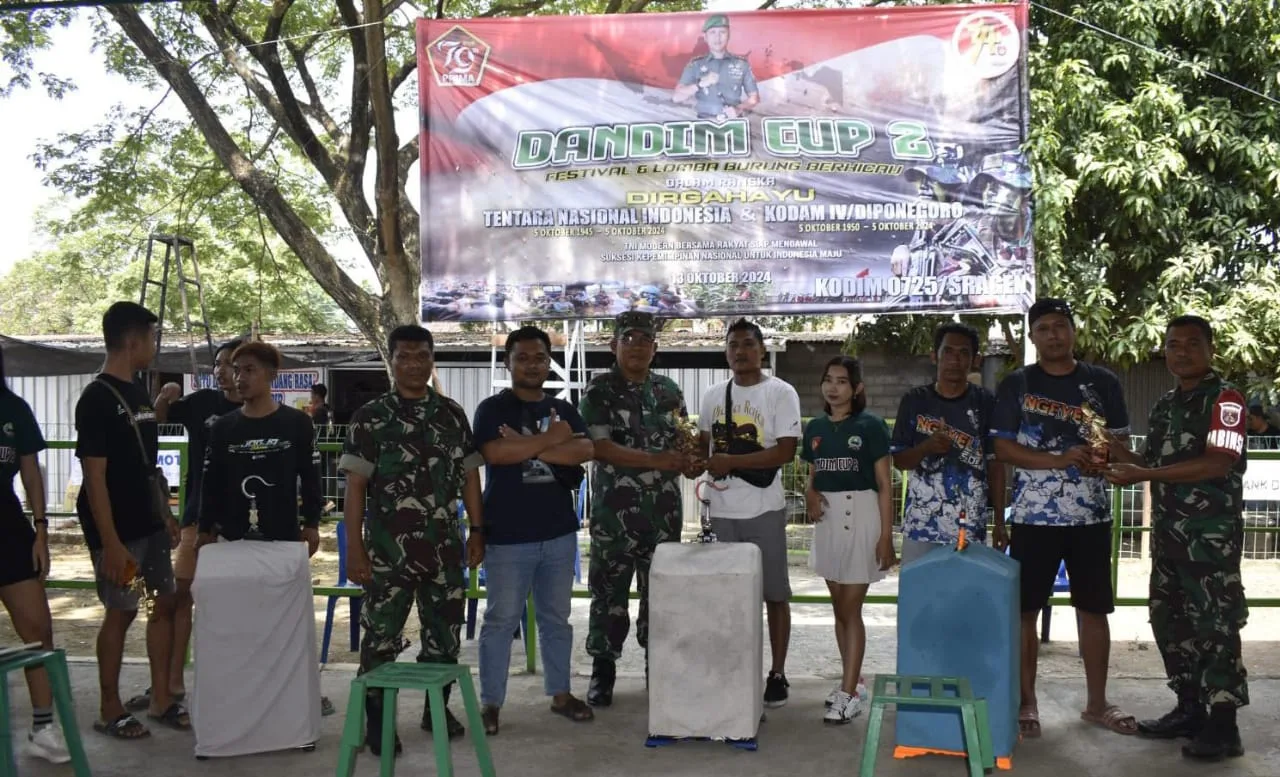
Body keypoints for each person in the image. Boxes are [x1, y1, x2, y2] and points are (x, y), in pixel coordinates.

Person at [1104, 315, 1249, 761]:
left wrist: (1143, 474)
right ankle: (1189, 709)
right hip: (1168, 537)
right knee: (1168, 621)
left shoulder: (1226, 399)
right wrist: (1112, 450)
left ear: (1210, 349)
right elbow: (1150, 461)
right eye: (1173, 344)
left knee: (1214, 625)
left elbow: (1218, 462)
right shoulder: (1166, 405)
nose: (1181, 352)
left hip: (1210, 538)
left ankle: (1223, 725)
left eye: (1191, 343)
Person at [990, 297, 1137, 738]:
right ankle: (1027, 702)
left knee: (1094, 610)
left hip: (1091, 517)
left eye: (1061, 326)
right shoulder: (1017, 383)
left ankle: (1097, 703)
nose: (1053, 335)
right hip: (1033, 518)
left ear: (1074, 331)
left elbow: (1122, 448)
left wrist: (1102, 455)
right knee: (1025, 612)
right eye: (1044, 328)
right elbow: (1002, 448)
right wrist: (1059, 459)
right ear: (1032, 337)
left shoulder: (1102, 382)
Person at [339, 325, 485, 756]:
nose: (414, 364)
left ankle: (435, 709)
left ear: (432, 359)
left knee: (444, 636)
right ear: (392, 361)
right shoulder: (371, 417)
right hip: (389, 553)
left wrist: (478, 531)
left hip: (444, 550)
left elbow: (470, 477)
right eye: (404, 356)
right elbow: (355, 488)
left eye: (422, 356)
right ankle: (378, 721)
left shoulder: (451, 414)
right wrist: (355, 548)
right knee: (380, 638)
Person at [473, 326, 596, 734]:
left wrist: (528, 444)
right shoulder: (492, 409)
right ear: (508, 363)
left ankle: (560, 694)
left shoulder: (563, 407)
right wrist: (553, 438)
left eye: (540, 357)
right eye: (522, 357)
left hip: (558, 533)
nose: (532, 365)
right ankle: (491, 703)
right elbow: (495, 453)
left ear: (549, 362)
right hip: (507, 535)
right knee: (500, 621)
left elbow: (585, 450)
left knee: (556, 619)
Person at [578, 311, 701, 707]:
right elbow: (599, 447)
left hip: (663, 516)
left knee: (661, 595)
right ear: (613, 344)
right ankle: (603, 671)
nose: (637, 346)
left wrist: (690, 458)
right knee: (607, 594)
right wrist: (656, 460)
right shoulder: (599, 390)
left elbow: (682, 440)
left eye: (644, 340)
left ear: (655, 348)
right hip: (614, 516)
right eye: (628, 338)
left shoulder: (669, 390)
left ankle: (658, 670)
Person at [74, 301, 184, 739]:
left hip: (149, 522)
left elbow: (147, 463)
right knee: (121, 612)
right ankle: (109, 708)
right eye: (152, 338)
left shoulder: (138, 393)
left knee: (163, 605)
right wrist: (111, 543)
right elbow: (94, 477)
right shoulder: (96, 398)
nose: (155, 346)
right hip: (117, 529)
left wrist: (165, 513)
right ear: (133, 341)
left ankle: (161, 699)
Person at [120, 339, 242, 713]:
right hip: (197, 519)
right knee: (175, 598)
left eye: (230, 364)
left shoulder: (265, 413)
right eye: (218, 363)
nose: (222, 371)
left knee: (236, 606)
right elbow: (158, 419)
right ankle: (170, 684)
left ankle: (236, 687)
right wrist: (165, 394)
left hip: (245, 528)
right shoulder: (203, 403)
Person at [698, 318, 802, 708]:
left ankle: (777, 673)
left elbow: (786, 452)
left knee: (774, 594)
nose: (740, 351)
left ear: (761, 350)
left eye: (747, 344)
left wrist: (732, 461)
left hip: (764, 509)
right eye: (733, 345)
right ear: (725, 352)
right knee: (728, 597)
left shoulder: (781, 392)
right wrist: (689, 458)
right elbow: (704, 449)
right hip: (721, 510)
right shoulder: (713, 395)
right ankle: (735, 671)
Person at [801, 356, 895, 724]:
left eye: (842, 381)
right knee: (838, 607)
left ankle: (848, 692)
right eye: (828, 379)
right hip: (827, 521)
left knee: (850, 608)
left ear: (857, 389)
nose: (833, 387)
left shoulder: (871, 426)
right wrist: (810, 492)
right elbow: (813, 473)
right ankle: (851, 683)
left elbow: (885, 485)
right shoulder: (815, 428)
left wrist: (886, 536)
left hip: (862, 515)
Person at [0, 345, 71, 763]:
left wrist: (41, 531)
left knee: (38, 630)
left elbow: (30, 472)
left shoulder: (14, 408)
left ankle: (43, 729)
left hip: (9, 530)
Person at [892, 323, 1006, 564]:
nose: (955, 360)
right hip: (921, 525)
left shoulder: (986, 402)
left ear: (975, 360)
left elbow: (996, 465)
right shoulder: (914, 401)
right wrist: (927, 447)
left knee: (965, 588)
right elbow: (899, 461)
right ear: (935, 356)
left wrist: (999, 523)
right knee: (919, 587)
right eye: (948, 351)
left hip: (969, 527)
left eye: (964, 353)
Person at [197, 341, 322, 547]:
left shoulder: (297, 422)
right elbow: (210, 481)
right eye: (236, 370)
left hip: (283, 537)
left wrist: (312, 523)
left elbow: (311, 477)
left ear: (272, 374)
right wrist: (204, 528)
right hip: (231, 538)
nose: (240, 377)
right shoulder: (222, 427)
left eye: (249, 370)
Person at [673, 14, 760, 120]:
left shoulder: (741, 64)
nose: (717, 37)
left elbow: (754, 98)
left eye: (722, 32)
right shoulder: (695, 65)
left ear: (729, 35)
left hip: (733, 124)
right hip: (704, 124)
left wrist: (739, 108)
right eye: (712, 32)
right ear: (705, 37)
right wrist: (700, 84)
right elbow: (676, 97)